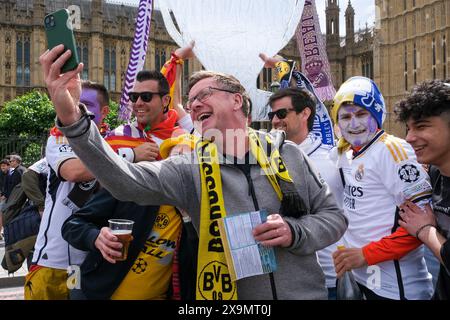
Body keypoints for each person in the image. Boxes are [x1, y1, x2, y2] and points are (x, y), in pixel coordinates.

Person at [40, 44, 347, 300]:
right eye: (190, 99)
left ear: (237, 100)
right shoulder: (190, 168)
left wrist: (294, 232)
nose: (193, 103)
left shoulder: (288, 153)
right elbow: (124, 181)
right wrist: (70, 114)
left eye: (203, 94)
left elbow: (334, 218)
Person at [61, 46, 198, 300]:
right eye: (133, 97)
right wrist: (96, 237)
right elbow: (81, 193)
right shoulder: (119, 138)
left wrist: (176, 61)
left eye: (146, 97)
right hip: (101, 283)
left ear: (164, 101)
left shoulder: (185, 140)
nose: (137, 103)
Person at [330, 76, 434, 300]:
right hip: (363, 282)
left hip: (396, 289)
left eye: (361, 114)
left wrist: (365, 255)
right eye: (345, 117)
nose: (354, 124)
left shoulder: (392, 150)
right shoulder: (347, 154)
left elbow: (421, 227)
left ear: (376, 115)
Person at [24, 81, 110, 300]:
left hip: (88, 265)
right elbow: (73, 171)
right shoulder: (59, 137)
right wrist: (128, 156)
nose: (77, 108)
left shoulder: (113, 141)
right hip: (52, 262)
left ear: (105, 112)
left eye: (87, 104)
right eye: (75, 102)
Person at [267, 87, 344, 299]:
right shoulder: (263, 158)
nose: (274, 120)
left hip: (331, 276)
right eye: (271, 115)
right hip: (284, 279)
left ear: (305, 113)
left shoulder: (334, 159)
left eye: (281, 114)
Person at [394, 79, 450, 300]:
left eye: (421, 126)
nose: (409, 137)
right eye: (408, 128)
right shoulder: (434, 175)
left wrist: (425, 230)